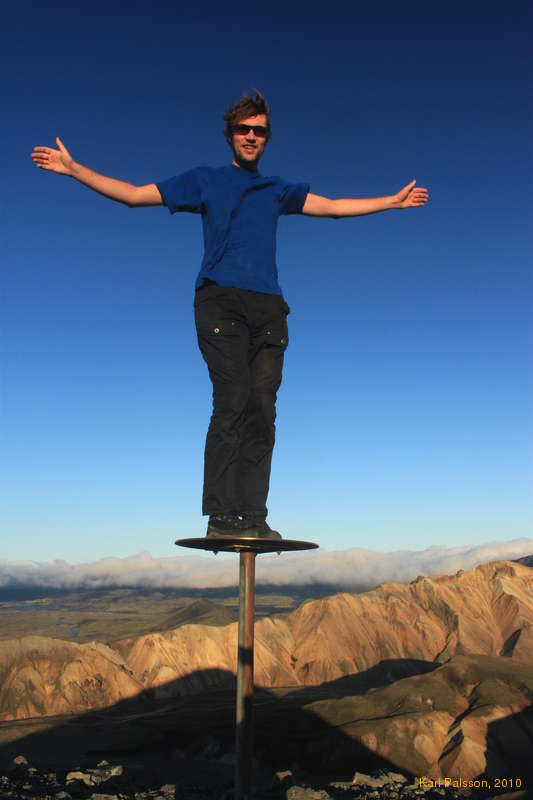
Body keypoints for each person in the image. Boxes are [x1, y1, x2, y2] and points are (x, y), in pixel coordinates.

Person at [31, 90, 429, 541]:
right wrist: (74, 169)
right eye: (244, 129)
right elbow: (133, 196)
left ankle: (253, 515)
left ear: (266, 138)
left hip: (269, 310)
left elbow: (334, 208)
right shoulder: (205, 181)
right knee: (233, 397)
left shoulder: (277, 190)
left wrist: (390, 203)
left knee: (263, 409)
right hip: (220, 302)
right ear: (231, 135)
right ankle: (221, 515)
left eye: (259, 131)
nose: (251, 136)